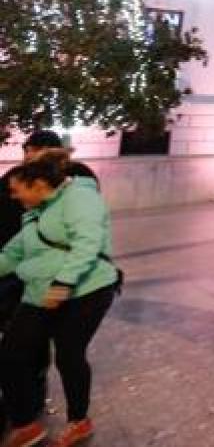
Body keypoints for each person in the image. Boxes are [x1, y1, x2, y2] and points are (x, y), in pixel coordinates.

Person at [0, 151, 119, 447]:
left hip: (87, 290)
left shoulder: (80, 198)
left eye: (16, 190)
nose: (13, 196)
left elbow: (87, 243)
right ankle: (25, 424)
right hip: (40, 291)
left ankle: (79, 421)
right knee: (11, 352)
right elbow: (13, 254)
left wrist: (63, 282)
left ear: (38, 184)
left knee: (69, 355)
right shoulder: (35, 212)